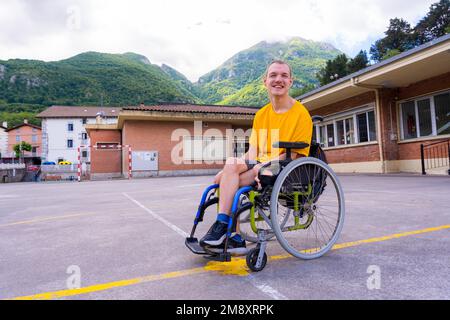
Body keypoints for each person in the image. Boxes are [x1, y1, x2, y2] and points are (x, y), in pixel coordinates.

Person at [199, 60, 313, 253]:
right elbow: (253, 150)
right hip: (260, 163)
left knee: (228, 182)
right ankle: (230, 232)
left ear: (291, 82)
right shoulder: (261, 114)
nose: (279, 79)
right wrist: (236, 164)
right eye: (273, 75)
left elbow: (294, 154)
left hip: (282, 165)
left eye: (284, 76)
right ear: (265, 81)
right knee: (224, 173)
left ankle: (225, 229)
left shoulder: (301, 114)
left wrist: (264, 166)